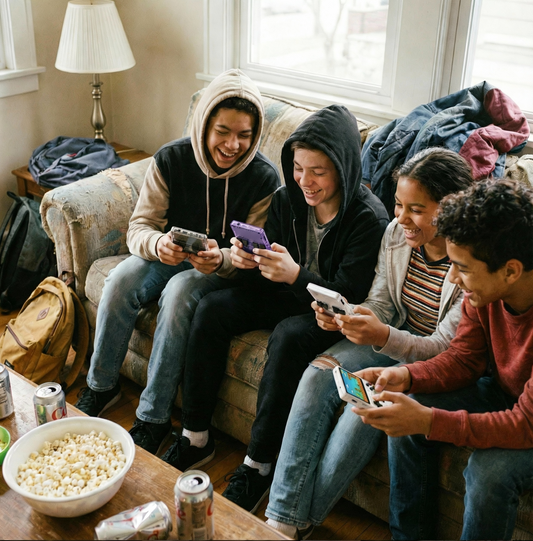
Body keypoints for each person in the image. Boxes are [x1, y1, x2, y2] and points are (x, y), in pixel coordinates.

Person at [160, 105, 390, 513]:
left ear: (343, 166)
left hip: (330, 316)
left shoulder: (369, 219)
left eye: (318, 171)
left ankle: (258, 464)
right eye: (299, 167)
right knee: (213, 308)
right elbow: (268, 275)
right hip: (287, 294)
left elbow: (348, 299)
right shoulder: (288, 198)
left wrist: (296, 275)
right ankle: (196, 435)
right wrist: (248, 263)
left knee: (288, 335)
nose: (306, 180)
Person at [264, 147, 474, 540]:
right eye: (397, 204)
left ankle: (297, 519)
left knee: (363, 411)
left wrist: (382, 336)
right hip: (389, 338)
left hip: (425, 361)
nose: (401, 218)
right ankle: (281, 521)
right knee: (317, 375)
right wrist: (349, 315)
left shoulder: (470, 261)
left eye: (416, 208)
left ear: (449, 207)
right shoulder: (395, 235)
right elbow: (381, 301)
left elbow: (446, 349)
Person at [74, 69, 280, 455]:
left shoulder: (265, 180)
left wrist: (220, 259)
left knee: (179, 291)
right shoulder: (171, 158)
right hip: (167, 255)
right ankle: (101, 386)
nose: (233, 144)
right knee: (120, 279)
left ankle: (152, 417)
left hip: (219, 270)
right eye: (223, 131)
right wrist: (157, 245)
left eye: (244, 134)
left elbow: (253, 257)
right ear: (204, 125)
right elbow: (139, 227)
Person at [354, 178, 533, 540]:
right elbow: (463, 361)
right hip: (506, 394)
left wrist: (430, 421)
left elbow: (524, 425)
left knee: (489, 472)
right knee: (410, 408)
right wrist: (406, 376)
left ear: (511, 270)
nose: (454, 279)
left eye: (463, 268)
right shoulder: (482, 294)